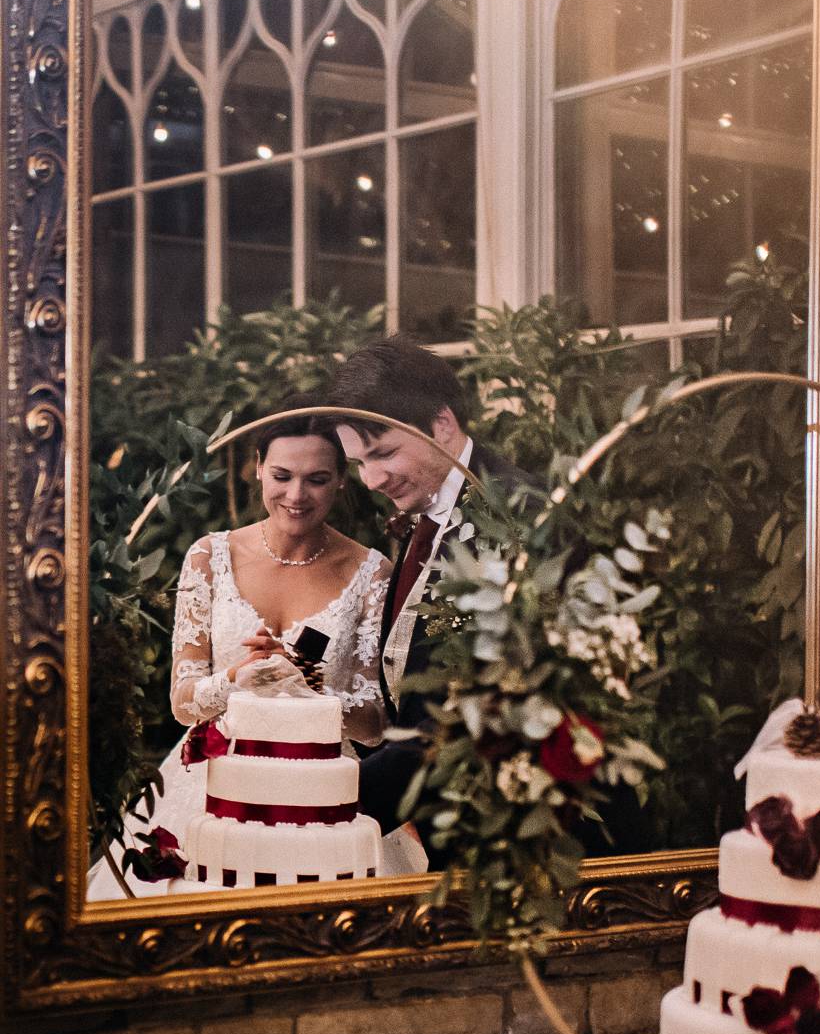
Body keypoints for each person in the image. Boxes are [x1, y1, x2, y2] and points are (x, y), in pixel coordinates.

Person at [87, 404, 423, 900]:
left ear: (342, 482)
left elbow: (374, 723)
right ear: (259, 467)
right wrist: (235, 679)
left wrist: (305, 680)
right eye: (282, 475)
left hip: (321, 789)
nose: (296, 495)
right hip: (214, 773)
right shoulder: (209, 555)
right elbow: (183, 703)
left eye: (317, 479)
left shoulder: (371, 571)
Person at [333, 335, 533, 837]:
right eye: (359, 463)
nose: (372, 479)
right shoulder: (428, 511)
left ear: (442, 425)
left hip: (502, 832)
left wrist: (334, 801)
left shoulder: (515, 516)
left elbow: (484, 708)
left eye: (383, 454)